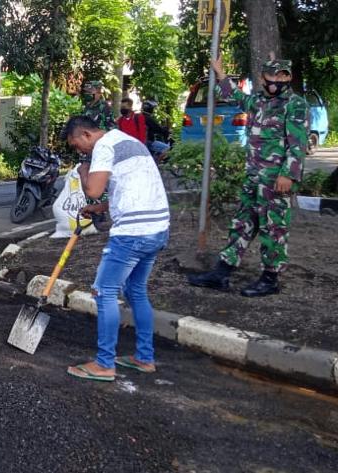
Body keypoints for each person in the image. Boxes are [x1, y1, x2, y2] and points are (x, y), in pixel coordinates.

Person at [187, 56, 309, 297]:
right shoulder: (259, 101)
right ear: (264, 77)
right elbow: (237, 97)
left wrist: (288, 175)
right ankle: (221, 273)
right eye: (271, 75)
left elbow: (297, 143)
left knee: (274, 228)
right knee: (242, 224)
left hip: (276, 180)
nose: (276, 80)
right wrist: (221, 74)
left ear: (289, 77)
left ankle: (270, 278)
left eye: (281, 75)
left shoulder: (295, 104)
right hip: (254, 177)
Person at [61, 115, 171, 382]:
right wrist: (101, 209)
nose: (79, 151)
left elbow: (95, 190)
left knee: (104, 291)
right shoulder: (128, 140)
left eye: (77, 145)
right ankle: (144, 358)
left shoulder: (103, 147)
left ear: (86, 135)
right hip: (157, 228)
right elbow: (132, 187)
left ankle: (104, 363)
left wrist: (83, 169)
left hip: (132, 234)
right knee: (135, 290)